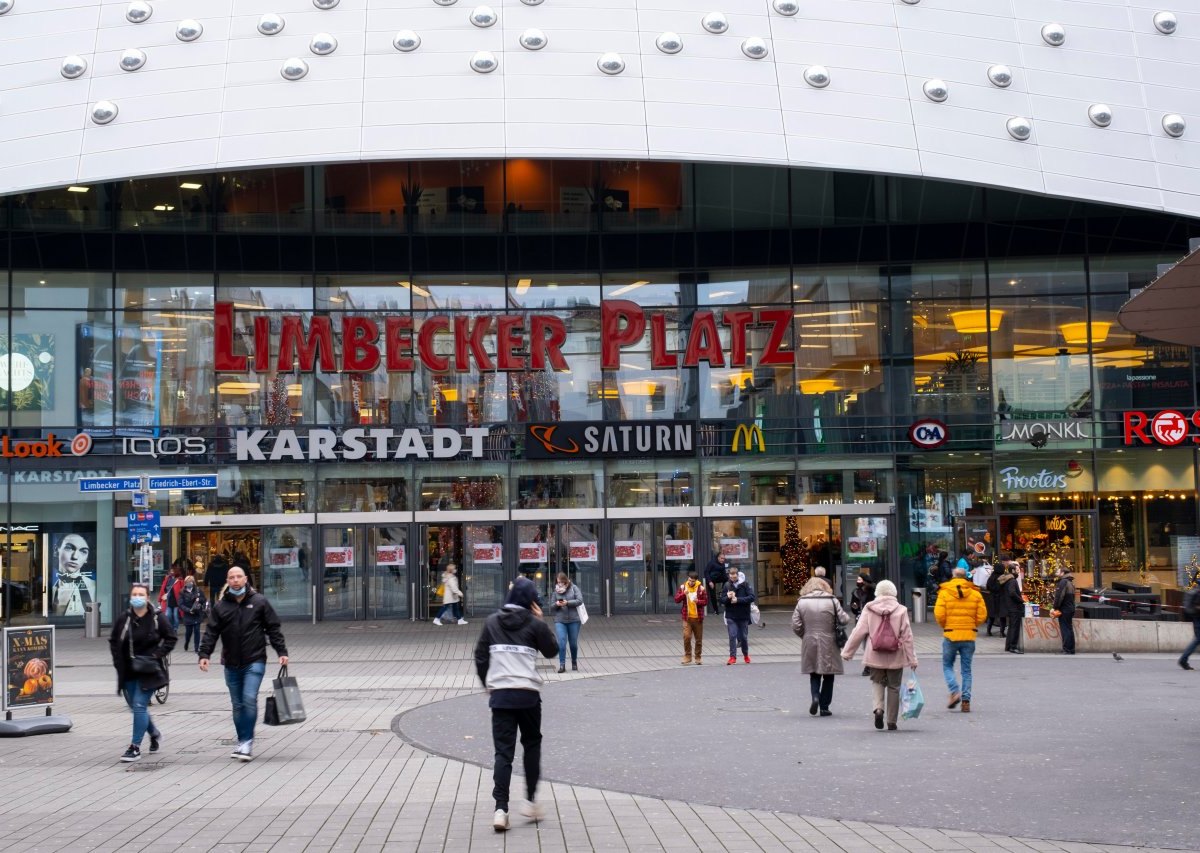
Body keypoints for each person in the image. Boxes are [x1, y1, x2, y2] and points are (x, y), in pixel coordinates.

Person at [473, 577, 558, 833]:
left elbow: (480, 655)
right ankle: (531, 801)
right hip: (528, 696)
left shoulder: (491, 622)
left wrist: (488, 682)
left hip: (501, 696)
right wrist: (541, 622)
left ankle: (500, 809)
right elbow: (552, 651)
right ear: (531, 601)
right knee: (531, 744)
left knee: (503, 753)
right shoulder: (534, 624)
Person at [197, 566, 288, 762]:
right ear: (227, 581)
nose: (236, 580)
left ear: (246, 579)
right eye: (232, 577)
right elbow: (211, 632)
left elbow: (273, 627)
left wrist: (281, 651)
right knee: (237, 705)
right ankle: (241, 741)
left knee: (248, 699)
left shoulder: (259, 602)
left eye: (239, 577)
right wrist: (204, 654)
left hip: (254, 660)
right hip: (230, 662)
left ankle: (247, 742)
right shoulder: (221, 606)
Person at [108, 582, 175, 762]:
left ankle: (135, 747)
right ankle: (153, 732)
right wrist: (118, 662)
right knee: (137, 707)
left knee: (139, 705)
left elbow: (171, 638)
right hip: (129, 671)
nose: (137, 597)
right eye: (134, 594)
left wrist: (157, 655)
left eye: (141, 594)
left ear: (147, 597)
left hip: (149, 670)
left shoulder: (157, 618)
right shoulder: (125, 618)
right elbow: (114, 641)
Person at [841, 580, 918, 731]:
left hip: (874, 654)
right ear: (894, 592)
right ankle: (891, 721)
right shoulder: (901, 610)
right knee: (894, 687)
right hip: (896, 654)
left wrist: (848, 652)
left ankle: (878, 709)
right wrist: (912, 659)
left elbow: (859, 631)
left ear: (877, 593)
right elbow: (908, 636)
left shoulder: (869, 608)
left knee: (877, 682)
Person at [791, 569, 850, 716]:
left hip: (809, 639)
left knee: (814, 672)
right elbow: (844, 619)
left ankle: (815, 697)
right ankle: (824, 706)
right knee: (829, 674)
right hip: (829, 639)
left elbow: (795, 625)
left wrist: (804, 635)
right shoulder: (832, 600)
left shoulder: (802, 602)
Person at [934, 567, 988, 713]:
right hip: (969, 635)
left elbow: (939, 614)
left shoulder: (944, 592)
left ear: (953, 576)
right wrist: (972, 625)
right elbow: (982, 615)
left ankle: (954, 691)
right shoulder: (975, 593)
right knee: (966, 670)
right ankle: (966, 700)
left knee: (947, 665)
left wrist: (945, 625)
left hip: (950, 634)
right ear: (966, 577)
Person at [51, 533, 96, 616]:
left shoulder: (94, 588)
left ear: (87, 558)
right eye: (69, 548)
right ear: (56, 550)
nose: (75, 557)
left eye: (83, 551)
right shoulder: (51, 589)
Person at [549, 572, 584, 673]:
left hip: (574, 620)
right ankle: (562, 665)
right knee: (562, 642)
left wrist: (567, 603)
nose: (559, 584)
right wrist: (556, 604)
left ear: (566, 581)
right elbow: (551, 607)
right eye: (558, 582)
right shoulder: (556, 591)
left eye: (561, 582)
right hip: (560, 620)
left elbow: (580, 600)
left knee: (573, 643)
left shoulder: (574, 588)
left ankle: (574, 661)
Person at [674, 568, 708, 665]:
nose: (691, 582)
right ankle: (687, 656)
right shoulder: (683, 587)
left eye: (693, 581)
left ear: (696, 580)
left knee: (698, 639)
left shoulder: (701, 588)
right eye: (689, 580)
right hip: (687, 617)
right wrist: (683, 594)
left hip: (698, 618)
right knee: (687, 636)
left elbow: (705, 601)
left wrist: (698, 602)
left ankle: (698, 657)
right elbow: (676, 599)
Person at [722, 566, 756, 664]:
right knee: (732, 636)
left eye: (734, 576)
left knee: (743, 637)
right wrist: (727, 598)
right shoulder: (727, 585)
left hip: (743, 615)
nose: (732, 578)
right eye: (731, 576)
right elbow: (722, 600)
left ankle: (745, 655)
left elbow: (751, 597)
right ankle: (732, 657)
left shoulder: (745, 584)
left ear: (737, 575)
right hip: (731, 615)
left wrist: (738, 600)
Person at [994, 561, 1025, 653]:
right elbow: (1012, 593)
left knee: (1012, 627)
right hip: (1014, 607)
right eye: (1017, 570)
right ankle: (1013, 646)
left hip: (1010, 607)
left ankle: (1008, 646)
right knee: (1014, 627)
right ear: (1012, 570)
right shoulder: (1012, 581)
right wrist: (1021, 600)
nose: (1018, 572)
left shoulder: (1008, 580)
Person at [1050, 566, 1076, 655]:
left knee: (1065, 629)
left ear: (1063, 573)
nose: (1056, 572)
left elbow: (1059, 596)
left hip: (1065, 609)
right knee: (1069, 628)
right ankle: (1071, 649)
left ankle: (1067, 649)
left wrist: (1055, 607)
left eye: (1058, 571)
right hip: (1070, 608)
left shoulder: (1063, 582)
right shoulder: (1070, 582)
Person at [179, 575, 207, 651]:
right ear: (185, 583)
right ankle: (186, 643)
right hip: (188, 615)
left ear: (193, 582)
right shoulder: (182, 592)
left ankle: (196, 647)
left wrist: (198, 599)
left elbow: (204, 599)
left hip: (197, 613)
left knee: (197, 630)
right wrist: (188, 610)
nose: (189, 583)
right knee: (188, 632)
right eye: (188, 582)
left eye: (191, 582)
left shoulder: (198, 590)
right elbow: (181, 604)